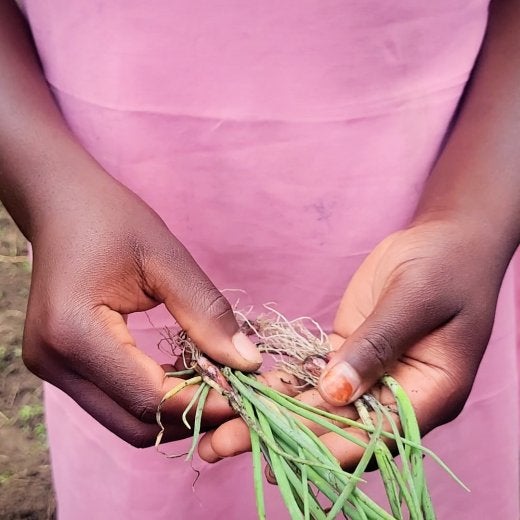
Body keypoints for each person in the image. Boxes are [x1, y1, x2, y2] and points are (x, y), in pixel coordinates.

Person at [0, 0, 518, 518]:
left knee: (417, 458)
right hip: (112, 245)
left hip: (445, 239)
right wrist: (50, 190)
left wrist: (477, 217)